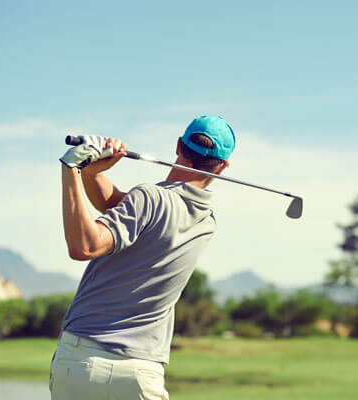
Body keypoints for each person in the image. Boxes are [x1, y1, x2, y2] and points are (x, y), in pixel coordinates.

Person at [50, 115, 236, 400]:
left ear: (178, 145)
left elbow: (84, 246)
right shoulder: (206, 220)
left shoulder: (149, 199)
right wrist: (93, 175)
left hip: (82, 360)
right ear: (222, 167)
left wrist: (72, 169)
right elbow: (121, 209)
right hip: (141, 373)